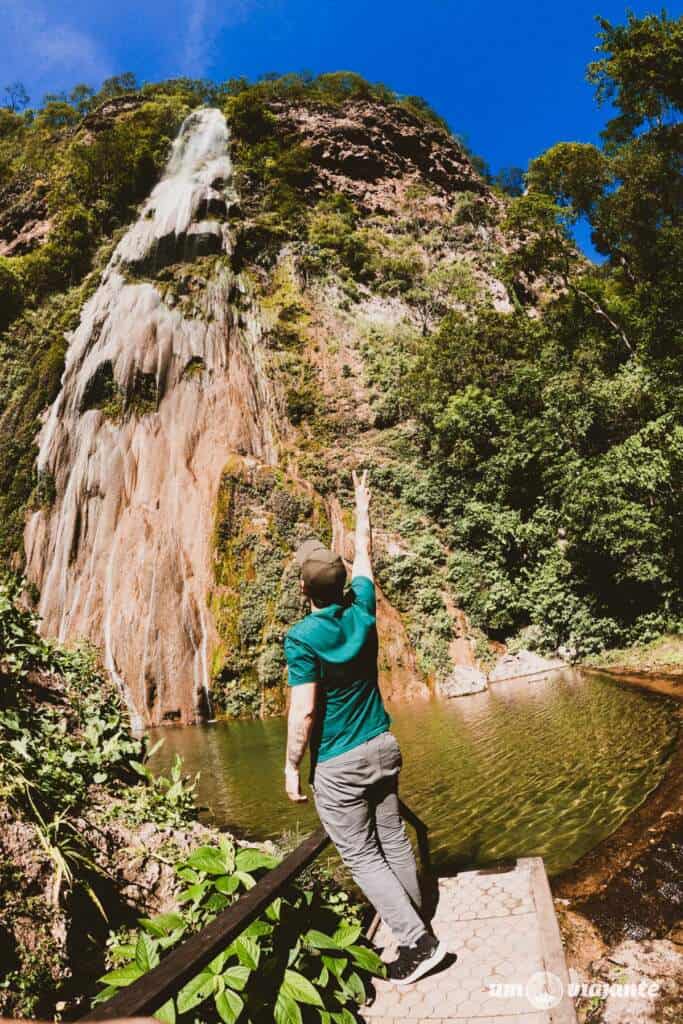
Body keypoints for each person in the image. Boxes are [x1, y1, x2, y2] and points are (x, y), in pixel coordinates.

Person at [283, 469, 447, 985]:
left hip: (340, 762)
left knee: (361, 856)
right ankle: (417, 918)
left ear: (304, 587)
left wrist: (291, 767)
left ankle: (417, 943)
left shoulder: (302, 637)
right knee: (393, 839)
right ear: (339, 581)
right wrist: (361, 504)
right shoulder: (364, 609)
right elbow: (366, 557)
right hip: (383, 743)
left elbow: (304, 711)